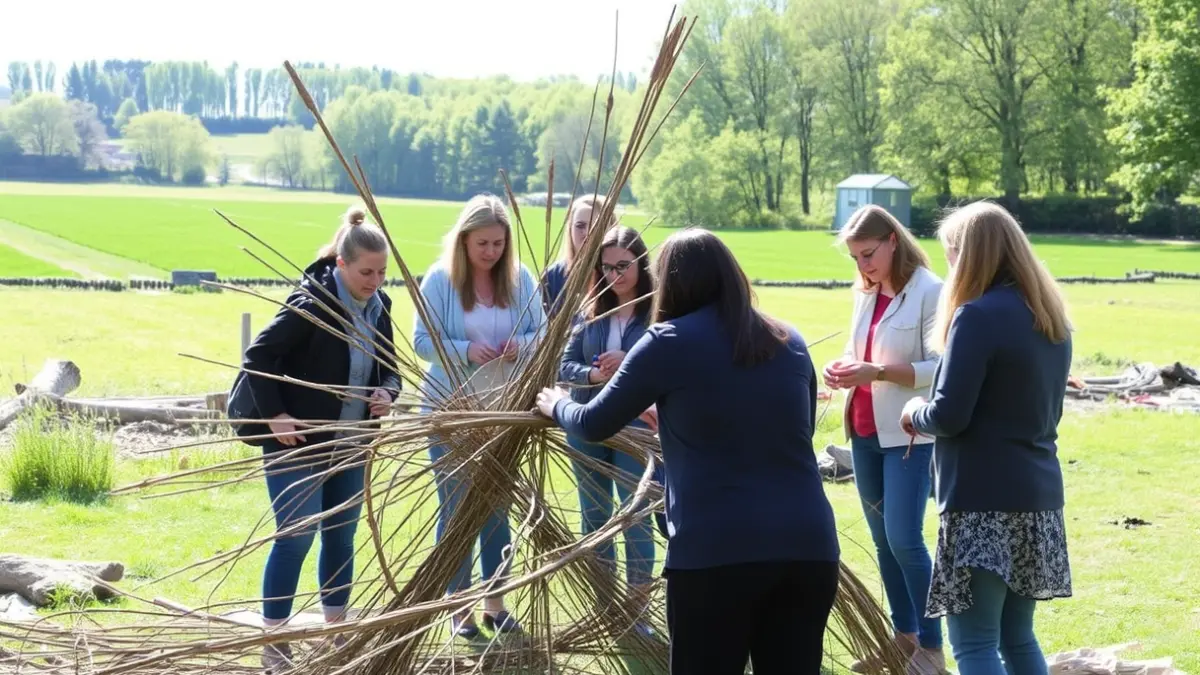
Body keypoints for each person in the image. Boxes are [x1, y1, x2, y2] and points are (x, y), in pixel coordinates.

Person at [536, 228, 840, 675]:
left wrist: (555, 403)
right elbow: (794, 430)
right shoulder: (787, 339)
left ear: (669, 283)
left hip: (717, 553)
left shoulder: (666, 341)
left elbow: (595, 422)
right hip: (808, 548)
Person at [899, 202, 1073, 675]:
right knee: (1018, 638)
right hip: (1038, 496)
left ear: (968, 255)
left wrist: (915, 412)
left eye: (951, 254)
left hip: (981, 503)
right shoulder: (1051, 319)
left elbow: (950, 416)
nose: (949, 267)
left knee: (974, 644)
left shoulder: (975, 317)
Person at [230, 205, 401, 672]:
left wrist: (387, 391)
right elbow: (257, 358)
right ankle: (275, 642)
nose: (375, 280)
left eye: (383, 272)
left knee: (342, 536)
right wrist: (276, 416)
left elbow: (391, 367)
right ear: (342, 265)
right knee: (296, 536)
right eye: (367, 271)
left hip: (351, 442)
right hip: (298, 443)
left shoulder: (381, 306)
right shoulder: (311, 303)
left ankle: (335, 634)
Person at [412, 193, 546, 639]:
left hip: (504, 413)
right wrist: (465, 350)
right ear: (464, 240)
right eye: (483, 244)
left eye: (499, 244)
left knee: (497, 510)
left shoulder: (521, 279)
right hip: (452, 414)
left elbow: (543, 333)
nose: (492, 252)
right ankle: (459, 610)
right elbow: (421, 342)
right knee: (455, 513)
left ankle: (496, 603)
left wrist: (520, 346)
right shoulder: (439, 281)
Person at [822, 205, 945, 675]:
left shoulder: (932, 293)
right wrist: (844, 369)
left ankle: (932, 649)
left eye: (868, 254)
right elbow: (862, 354)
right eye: (855, 258)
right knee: (882, 542)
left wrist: (877, 372)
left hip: (910, 434)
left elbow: (942, 370)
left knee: (905, 539)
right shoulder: (865, 293)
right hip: (864, 430)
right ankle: (903, 640)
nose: (863, 266)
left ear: (894, 240)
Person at [558, 225, 661, 633]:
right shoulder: (588, 311)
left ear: (641, 263)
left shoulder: (658, 312)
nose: (615, 276)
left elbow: (666, 366)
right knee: (594, 517)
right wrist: (593, 375)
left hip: (637, 426)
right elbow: (563, 366)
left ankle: (638, 610)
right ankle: (605, 608)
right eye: (607, 267)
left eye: (624, 266)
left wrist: (629, 359)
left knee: (636, 514)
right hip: (587, 423)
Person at [541, 194, 617, 319]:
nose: (587, 233)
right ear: (570, 229)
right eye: (580, 226)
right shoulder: (552, 278)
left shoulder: (622, 275)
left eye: (596, 226)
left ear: (611, 228)